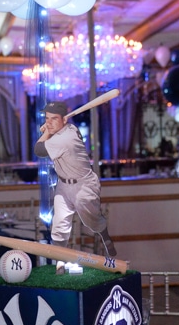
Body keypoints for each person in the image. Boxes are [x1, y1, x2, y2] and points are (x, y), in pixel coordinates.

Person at [34, 100, 118, 262]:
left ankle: (105, 237)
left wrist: (45, 133)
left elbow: (38, 150)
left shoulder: (66, 138)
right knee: (59, 224)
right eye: (47, 118)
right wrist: (50, 130)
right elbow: (48, 139)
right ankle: (60, 262)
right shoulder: (69, 128)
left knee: (92, 221)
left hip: (83, 184)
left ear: (64, 120)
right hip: (64, 184)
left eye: (54, 119)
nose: (49, 122)